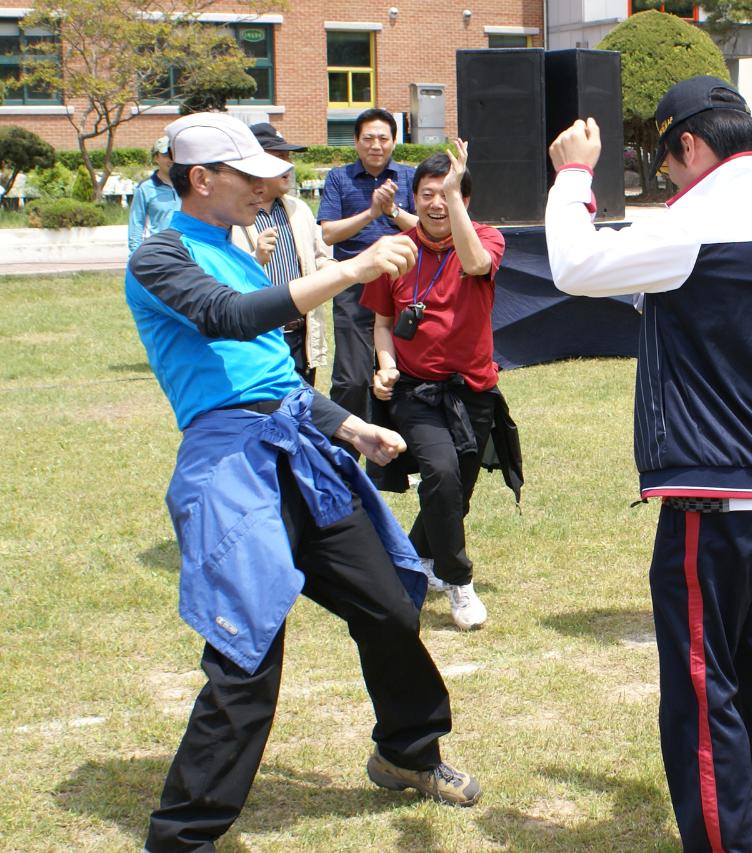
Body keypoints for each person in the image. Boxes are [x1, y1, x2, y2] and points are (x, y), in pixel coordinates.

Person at [125, 112, 479, 852]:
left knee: (388, 603)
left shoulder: (239, 251)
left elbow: (272, 373)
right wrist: (349, 269)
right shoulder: (159, 257)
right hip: (229, 464)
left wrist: (349, 428)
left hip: (298, 445)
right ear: (201, 179)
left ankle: (407, 753)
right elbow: (225, 318)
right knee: (247, 647)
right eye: (251, 177)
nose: (267, 187)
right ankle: (183, 835)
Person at [546, 76, 752, 852]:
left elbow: (573, 265)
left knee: (704, 693)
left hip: (718, 496)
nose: (668, 177)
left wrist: (574, 172)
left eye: (668, 160)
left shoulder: (694, 225)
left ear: (691, 144)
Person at [362, 148, 507, 631]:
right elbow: (383, 324)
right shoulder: (395, 250)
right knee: (441, 475)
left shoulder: (486, 239)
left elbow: (474, 260)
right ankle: (459, 580)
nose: (437, 203)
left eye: (447, 194)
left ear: (463, 200)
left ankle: (413, 559)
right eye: (427, 194)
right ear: (414, 199)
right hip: (417, 393)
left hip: (474, 390)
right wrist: (385, 366)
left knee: (456, 492)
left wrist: (455, 194)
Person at [318, 108, 420, 448]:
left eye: (383, 138)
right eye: (368, 138)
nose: (376, 145)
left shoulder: (409, 177)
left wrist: (392, 211)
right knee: (351, 377)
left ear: (394, 141)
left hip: (401, 280)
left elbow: (428, 229)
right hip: (353, 283)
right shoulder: (339, 178)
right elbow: (329, 234)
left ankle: (401, 448)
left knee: (400, 371)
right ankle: (343, 451)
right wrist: (371, 213)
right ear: (357, 142)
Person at [230, 123, 331, 385]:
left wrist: (335, 271)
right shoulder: (230, 217)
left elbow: (320, 257)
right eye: (279, 158)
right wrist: (255, 259)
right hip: (260, 337)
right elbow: (220, 281)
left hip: (301, 335)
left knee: (303, 413)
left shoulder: (299, 209)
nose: (289, 167)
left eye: (289, 158)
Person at [127, 136, 180, 254]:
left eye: (174, 155)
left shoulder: (188, 185)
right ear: (156, 157)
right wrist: (136, 257)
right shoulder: (145, 188)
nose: (171, 159)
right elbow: (136, 224)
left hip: (187, 253)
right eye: (166, 155)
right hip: (159, 253)